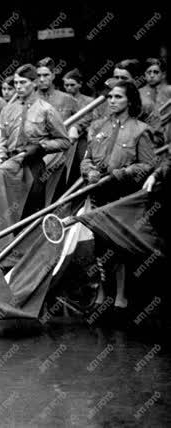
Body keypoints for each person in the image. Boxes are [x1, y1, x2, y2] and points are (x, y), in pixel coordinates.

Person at [81, 80, 157, 312]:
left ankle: (121, 298)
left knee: (120, 244)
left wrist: (122, 173)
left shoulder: (140, 130)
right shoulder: (97, 127)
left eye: (118, 97)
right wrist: (90, 171)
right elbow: (86, 159)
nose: (112, 101)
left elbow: (149, 165)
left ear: (130, 101)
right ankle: (102, 292)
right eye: (110, 97)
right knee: (100, 244)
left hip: (123, 195)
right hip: (99, 192)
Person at [0, 64, 71, 216]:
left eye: (23, 82)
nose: (18, 87)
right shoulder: (8, 110)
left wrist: (40, 147)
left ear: (34, 83)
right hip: (9, 164)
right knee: (7, 211)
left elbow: (64, 141)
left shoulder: (46, 110)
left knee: (31, 210)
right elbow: (1, 139)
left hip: (33, 166)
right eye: (16, 83)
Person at [139, 58, 171, 145]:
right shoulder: (138, 93)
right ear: (145, 75)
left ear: (163, 74)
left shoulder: (169, 91)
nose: (152, 75)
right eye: (149, 72)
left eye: (156, 72)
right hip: (149, 139)